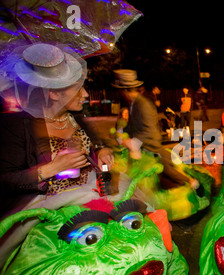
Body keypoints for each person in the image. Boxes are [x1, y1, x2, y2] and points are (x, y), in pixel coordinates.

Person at [0, 43, 114, 216]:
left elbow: (94, 146)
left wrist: (101, 150)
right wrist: (50, 169)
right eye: (77, 89)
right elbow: (5, 181)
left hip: (89, 201)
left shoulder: (78, 120)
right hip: (46, 214)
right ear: (53, 94)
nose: (85, 94)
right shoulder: (16, 125)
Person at [111, 70, 198, 189]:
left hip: (151, 146)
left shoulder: (142, 104)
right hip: (143, 147)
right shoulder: (133, 104)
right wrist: (121, 132)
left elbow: (149, 128)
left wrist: (134, 142)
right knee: (147, 175)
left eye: (121, 90)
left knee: (167, 170)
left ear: (126, 90)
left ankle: (191, 182)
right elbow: (133, 126)